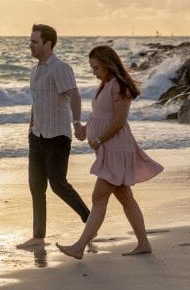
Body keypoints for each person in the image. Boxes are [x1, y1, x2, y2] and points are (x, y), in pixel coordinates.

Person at [57, 45, 163, 259]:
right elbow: (100, 114)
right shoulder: (105, 84)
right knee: (125, 197)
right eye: (91, 68)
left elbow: (119, 121)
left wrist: (98, 139)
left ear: (107, 64)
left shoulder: (119, 87)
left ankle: (79, 247)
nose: (93, 72)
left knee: (99, 197)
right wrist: (87, 129)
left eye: (96, 67)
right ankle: (144, 243)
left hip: (117, 148)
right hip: (109, 149)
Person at [16, 24, 91, 249]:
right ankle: (38, 237)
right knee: (36, 186)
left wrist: (77, 123)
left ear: (48, 44)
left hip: (57, 136)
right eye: (30, 41)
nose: (30, 45)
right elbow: (36, 102)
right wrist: (31, 126)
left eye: (34, 42)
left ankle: (90, 222)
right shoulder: (35, 70)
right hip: (37, 134)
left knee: (58, 184)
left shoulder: (61, 68)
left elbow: (74, 96)